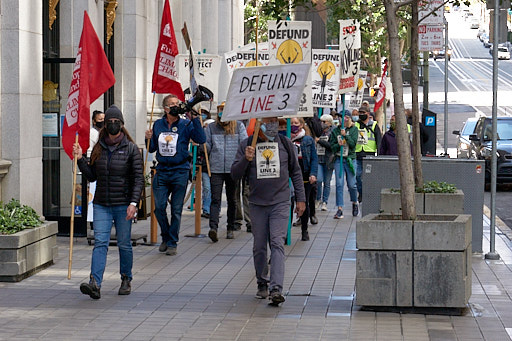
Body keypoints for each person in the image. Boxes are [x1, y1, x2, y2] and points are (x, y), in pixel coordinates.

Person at [231, 116, 306, 306]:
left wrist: (301, 199)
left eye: (275, 122)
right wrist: (246, 160)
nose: (271, 125)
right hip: (257, 203)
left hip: (280, 202)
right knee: (259, 246)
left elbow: (296, 172)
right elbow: (235, 175)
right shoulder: (247, 144)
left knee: (277, 243)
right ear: (257, 125)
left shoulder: (285, 144)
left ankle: (276, 289)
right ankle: (262, 282)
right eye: (267, 121)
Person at [74, 105, 144, 299]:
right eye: (109, 123)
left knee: (123, 244)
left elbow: (138, 178)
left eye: (116, 122)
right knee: (101, 243)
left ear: (121, 125)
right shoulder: (99, 147)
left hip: (123, 204)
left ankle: (126, 278)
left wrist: (133, 203)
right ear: (105, 125)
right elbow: (92, 176)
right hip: (102, 204)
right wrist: (81, 159)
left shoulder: (131, 149)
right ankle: (94, 283)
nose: (113, 125)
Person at [145, 94, 206, 256]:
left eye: (177, 103)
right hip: (162, 171)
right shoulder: (158, 124)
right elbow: (151, 149)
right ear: (165, 108)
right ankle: (165, 236)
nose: (176, 106)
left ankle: (172, 242)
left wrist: (194, 118)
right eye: (172, 104)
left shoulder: (186, 124)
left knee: (177, 209)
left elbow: (201, 138)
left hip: (180, 170)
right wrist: (148, 139)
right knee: (158, 207)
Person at [205, 102, 247, 241]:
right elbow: (208, 146)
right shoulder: (211, 127)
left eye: (225, 109)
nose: (222, 112)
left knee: (232, 199)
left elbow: (244, 145)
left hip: (233, 168)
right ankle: (213, 227)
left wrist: (241, 162)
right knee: (215, 199)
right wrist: (202, 145)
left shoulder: (239, 126)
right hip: (216, 168)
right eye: (220, 110)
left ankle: (230, 226)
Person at [289, 117, 318, 241]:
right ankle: (286, 231)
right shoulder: (285, 139)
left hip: (304, 176)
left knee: (303, 202)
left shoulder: (307, 140)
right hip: (289, 176)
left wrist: (313, 173)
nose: (294, 125)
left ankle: (304, 229)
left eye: (296, 123)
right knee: (288, 204)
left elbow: (314, 158)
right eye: (292, 123)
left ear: (301, 125)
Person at [329, 111, 359, 219]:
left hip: (350, 159)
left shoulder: (354, 130)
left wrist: (345, 136)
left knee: (352, 184)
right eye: (339, 117)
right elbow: (332, 146)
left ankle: (354, 202)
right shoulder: (335, 131)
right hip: (339, 160)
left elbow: (353, 144)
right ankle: (340, 208)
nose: (341, 120)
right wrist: (338, 145)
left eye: (344, 117)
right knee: (339, 184)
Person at [355, 106, 382, 203]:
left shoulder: (374, 125)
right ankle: (361, 193)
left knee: (368, 176)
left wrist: (378, 154)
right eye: (360, 112)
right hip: (357, 153)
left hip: (369, 154)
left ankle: (367, 194)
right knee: (357, 176)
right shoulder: (356, 125)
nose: (361, 114)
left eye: (363, 112)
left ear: (368, 113)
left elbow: (379, 140)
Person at [86, 110, 105, 229]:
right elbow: (90, 150)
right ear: (94, 121)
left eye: (104, 120)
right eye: (99, 120)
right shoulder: (92, 133)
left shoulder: (105, 133)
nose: (102, 122)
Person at [316, 114, 334, 212]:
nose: (322, 124)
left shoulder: (333, 132)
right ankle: (318, 199)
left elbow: (331, 146)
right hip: (318, 158)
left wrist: (319, 141)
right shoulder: (318, 132)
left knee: (327, 182)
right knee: (318, 180)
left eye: (324, 122)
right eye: (321, 122)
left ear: (329, 123)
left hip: (328, 159)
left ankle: (325, 202)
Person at [199, 118, 216, 218]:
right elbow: (202, 150)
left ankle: (213, 209)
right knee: (207, 188)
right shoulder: (203, 139)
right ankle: (206, 209)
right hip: (205, 167)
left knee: (214, 190)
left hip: (214, 167)